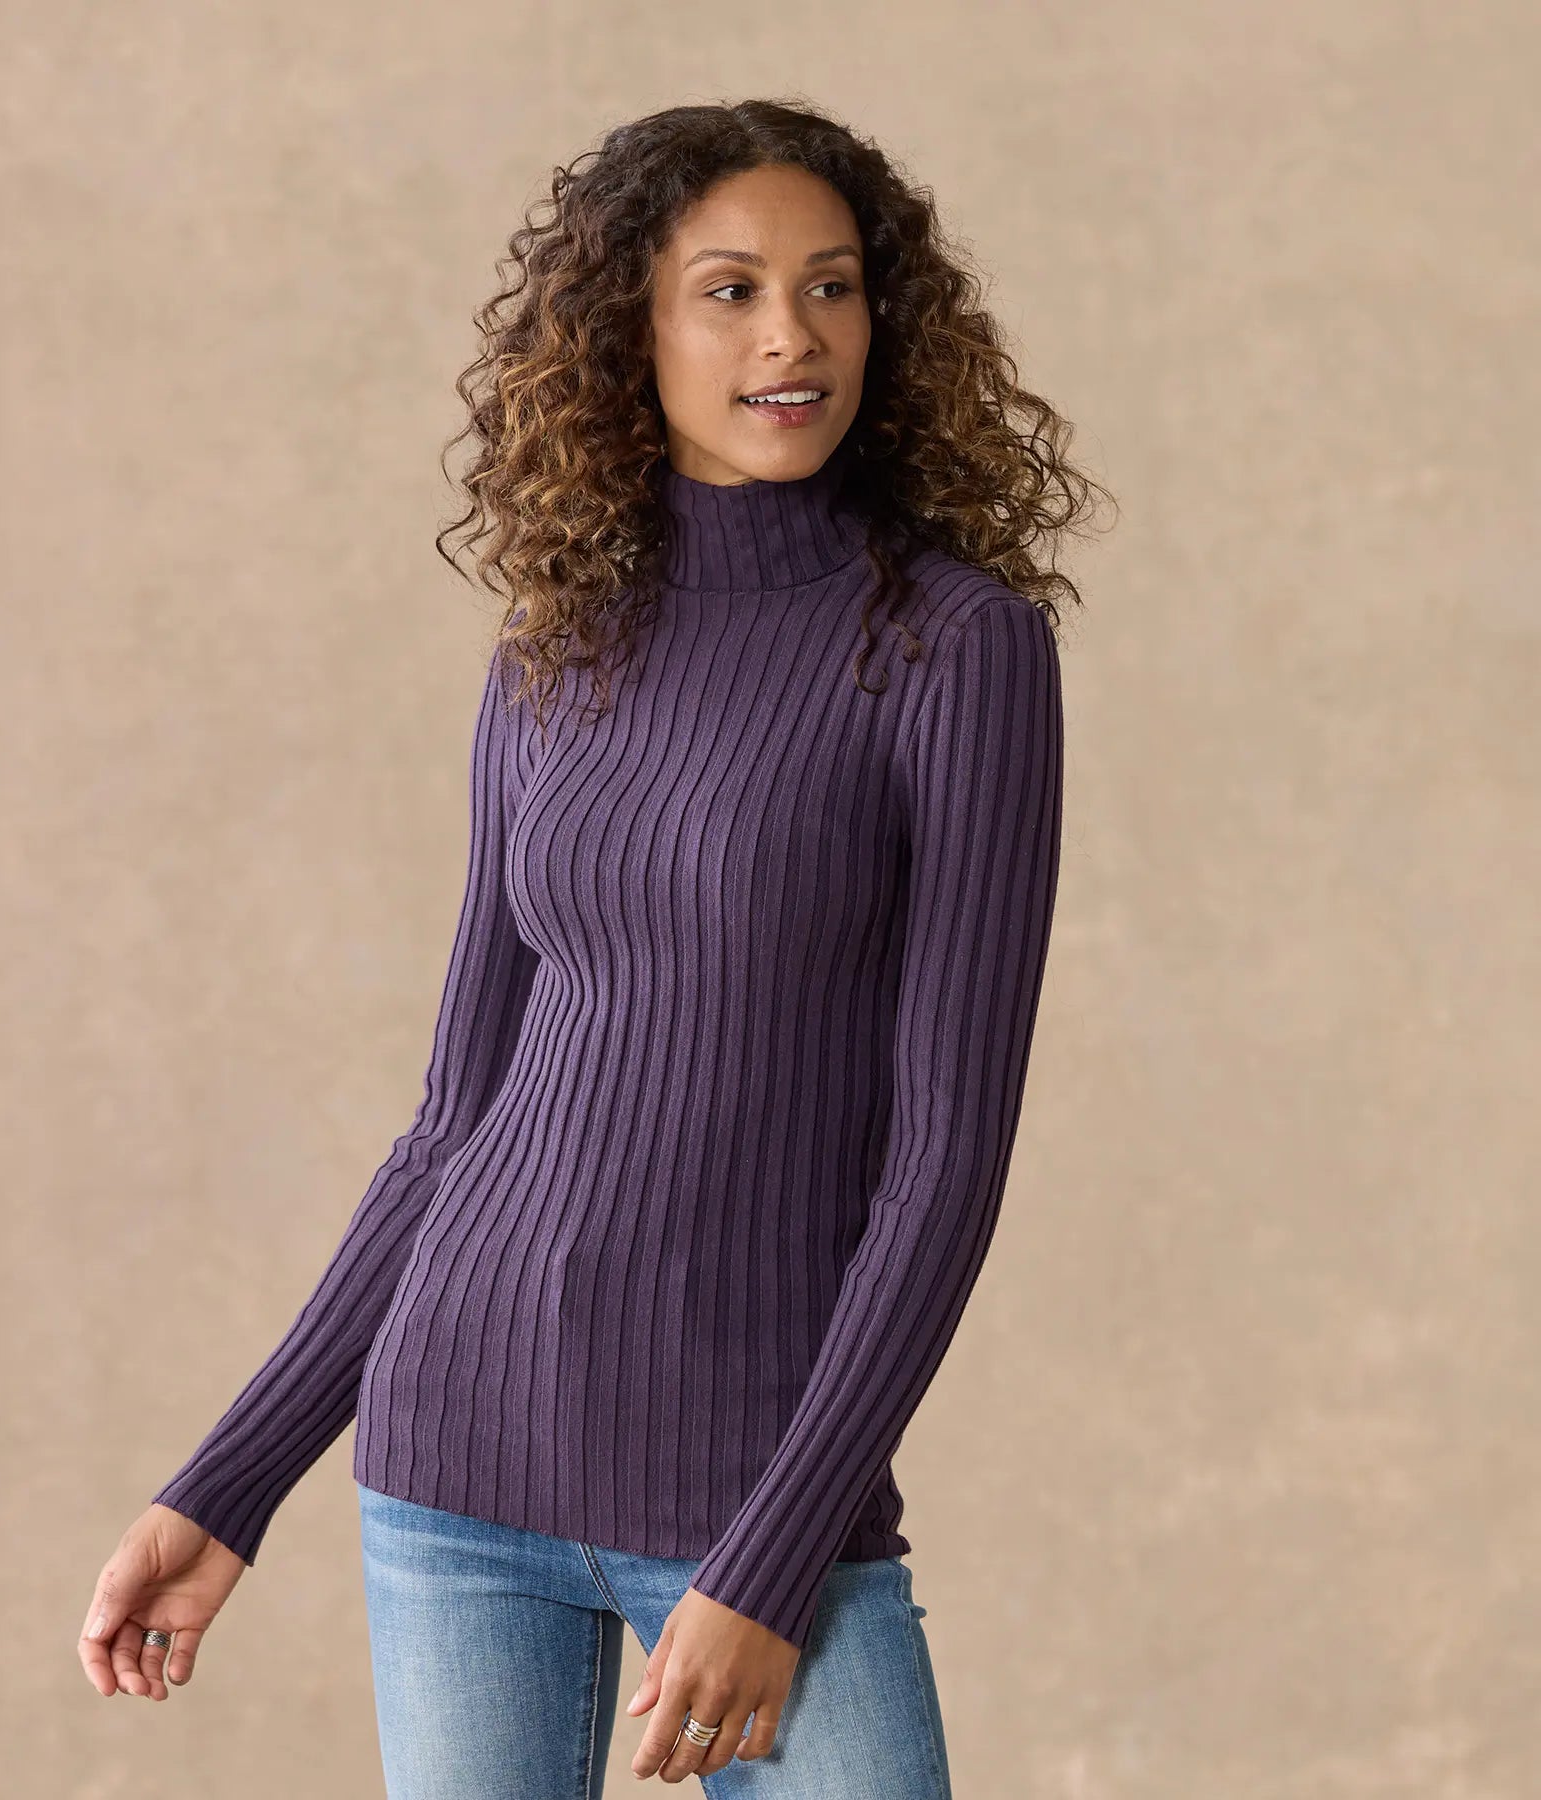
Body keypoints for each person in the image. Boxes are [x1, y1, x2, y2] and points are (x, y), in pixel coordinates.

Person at [78, 97, 1109, 1796]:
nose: (791, 335)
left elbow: (945, 1165)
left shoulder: (955, 650)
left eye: (833, 286)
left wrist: (770, 1562)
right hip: (456, 1461)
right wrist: (226, 1486)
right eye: (730, 289)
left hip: (756, 1481)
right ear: (630, 327)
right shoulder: (557, 642)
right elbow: (453, 1124)